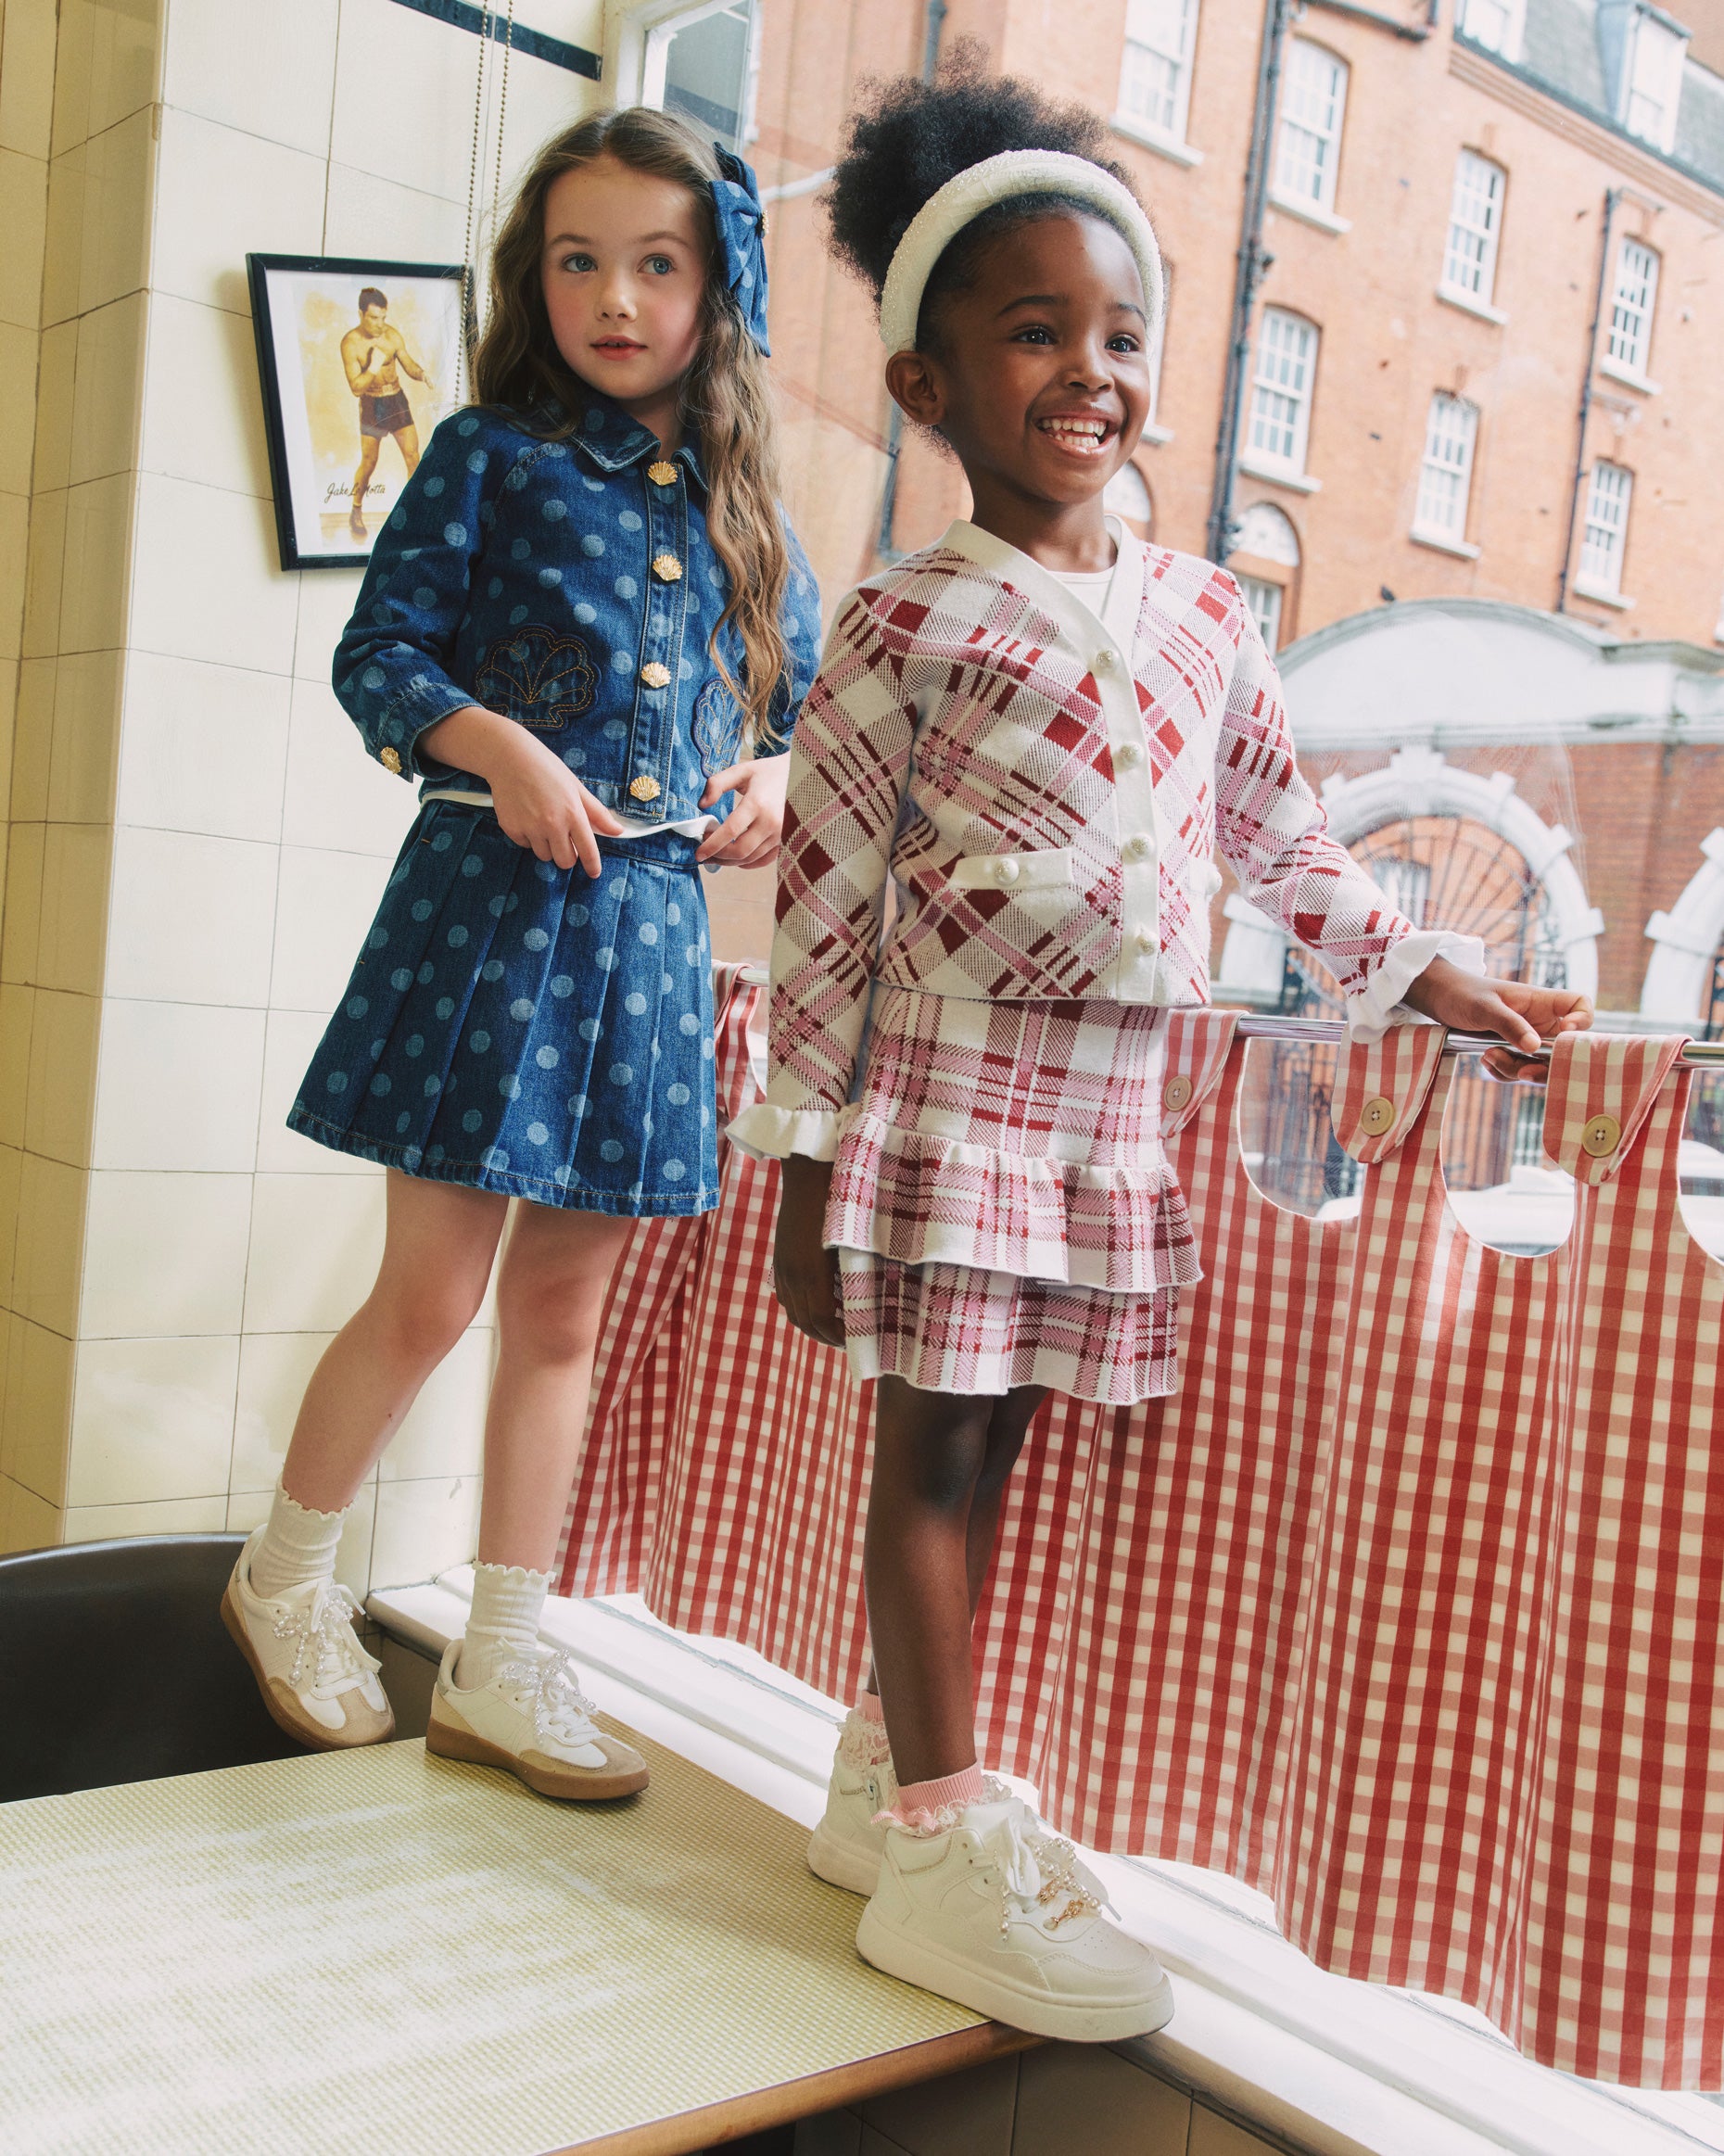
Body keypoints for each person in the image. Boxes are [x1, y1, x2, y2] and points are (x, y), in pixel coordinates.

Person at [729, 56, 1592, 2040]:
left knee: (1004, 1435)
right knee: (931, 1448)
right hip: (945, 1099)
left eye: (1120, 333)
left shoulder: (1210, 616)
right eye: (1034, 331)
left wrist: (1425, 975)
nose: (1090, 370)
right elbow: (832, 912)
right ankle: (944, 1839)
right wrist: (800, 1160)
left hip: (1106, 1117)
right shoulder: (904, 622)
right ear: (933, 387)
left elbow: (1280, 840)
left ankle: (887, 1768)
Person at [223, 108, 819, 1800]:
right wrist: (495, 741)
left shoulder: (747, 505)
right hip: (487, 918)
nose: (616, 298)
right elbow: (380, 654)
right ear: (532, 278)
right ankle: (286, 1578)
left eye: (657, 263)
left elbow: (810, 709)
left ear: (719, 286)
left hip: (644, 944)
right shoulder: (489, 453)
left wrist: (775, 773)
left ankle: (502, 1650)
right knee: (431, 1293)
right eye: (580, 261)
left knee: (563, 1320)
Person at [341, 286, 434, 539]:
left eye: (383, 317)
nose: (380, 324)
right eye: (374, 318)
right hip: (372, 405)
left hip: (396, 400)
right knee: (369, 462)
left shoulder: (391, 335)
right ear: (361, 315)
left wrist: (423, 374)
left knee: (414, 456)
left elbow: (408, 363)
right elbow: (355, 387)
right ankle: (356, 510)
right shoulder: (351, 343)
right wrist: (373, 365)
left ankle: (414, 515)